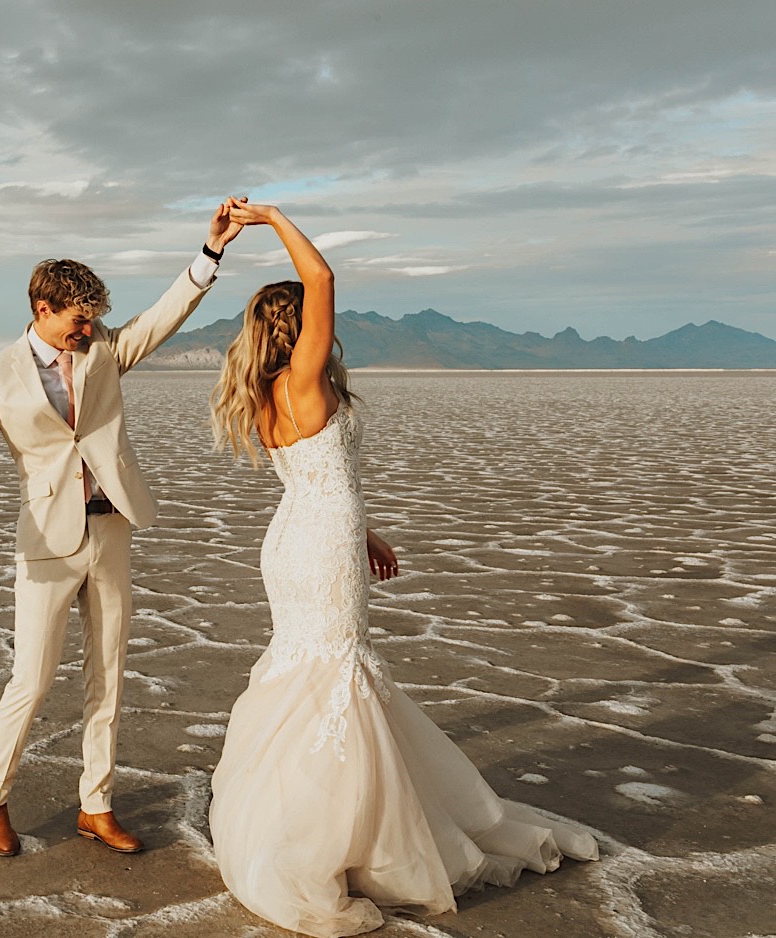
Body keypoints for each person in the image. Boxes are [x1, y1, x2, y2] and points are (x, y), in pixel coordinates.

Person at [207, 199, 598, 937]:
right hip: (318, 545)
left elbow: (319, 477)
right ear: (299, 328)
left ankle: (310, 823)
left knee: (309, 674)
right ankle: (338, 844)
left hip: (305, 537)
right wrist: (271, 218)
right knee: (337, 673)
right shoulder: (302, 379)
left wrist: (366, 531)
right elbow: (320, 275)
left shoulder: (270, 394)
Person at [0, 202, 244, 857]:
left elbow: (162, 316)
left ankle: (95, 806)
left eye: (94, 318)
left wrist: (209, 253)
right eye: (78, 318)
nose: (88, 328)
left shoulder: (103, 351)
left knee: (109, 675)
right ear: (43, 308)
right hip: (45, 539)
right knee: (33, 680)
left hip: (112, 531)